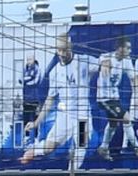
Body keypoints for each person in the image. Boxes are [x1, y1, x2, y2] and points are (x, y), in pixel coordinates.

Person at [22, 34, 96, 165]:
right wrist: (36, 123)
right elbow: (50, 100)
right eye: (58, 50)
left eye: (64, 49)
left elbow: (102, 62)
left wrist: (106, 63)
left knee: (80, 148)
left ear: (70, 47)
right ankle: (32, 151)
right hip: (65, 117)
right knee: (49, 147)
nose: (61, 53)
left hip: (83, 117)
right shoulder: (55, 72)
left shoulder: (84, 62)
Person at [96, 36, 138, 160]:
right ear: (120, 48)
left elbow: (134, 79)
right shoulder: (107, 57)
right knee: (126, 118)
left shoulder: (127, 61)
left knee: (113, 124)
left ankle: (103, 148)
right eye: (128, 48)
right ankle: (137, 148)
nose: (130, 51)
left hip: (115, 98)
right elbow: (101, 60)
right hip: (104, 98)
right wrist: (104, 63)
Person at [20, 55, 41, 126]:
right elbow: (21, 80)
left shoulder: (37, 69)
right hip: (26, 99)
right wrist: (28, 79)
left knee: (34, 118)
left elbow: (36, 81)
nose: (28, 61)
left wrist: (27, 81)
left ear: (34, 60)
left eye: (30, 59)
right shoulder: (25, 69)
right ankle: (26, 134)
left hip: (34, 98)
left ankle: (34, 135)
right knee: (25, 117)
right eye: (27, 59)